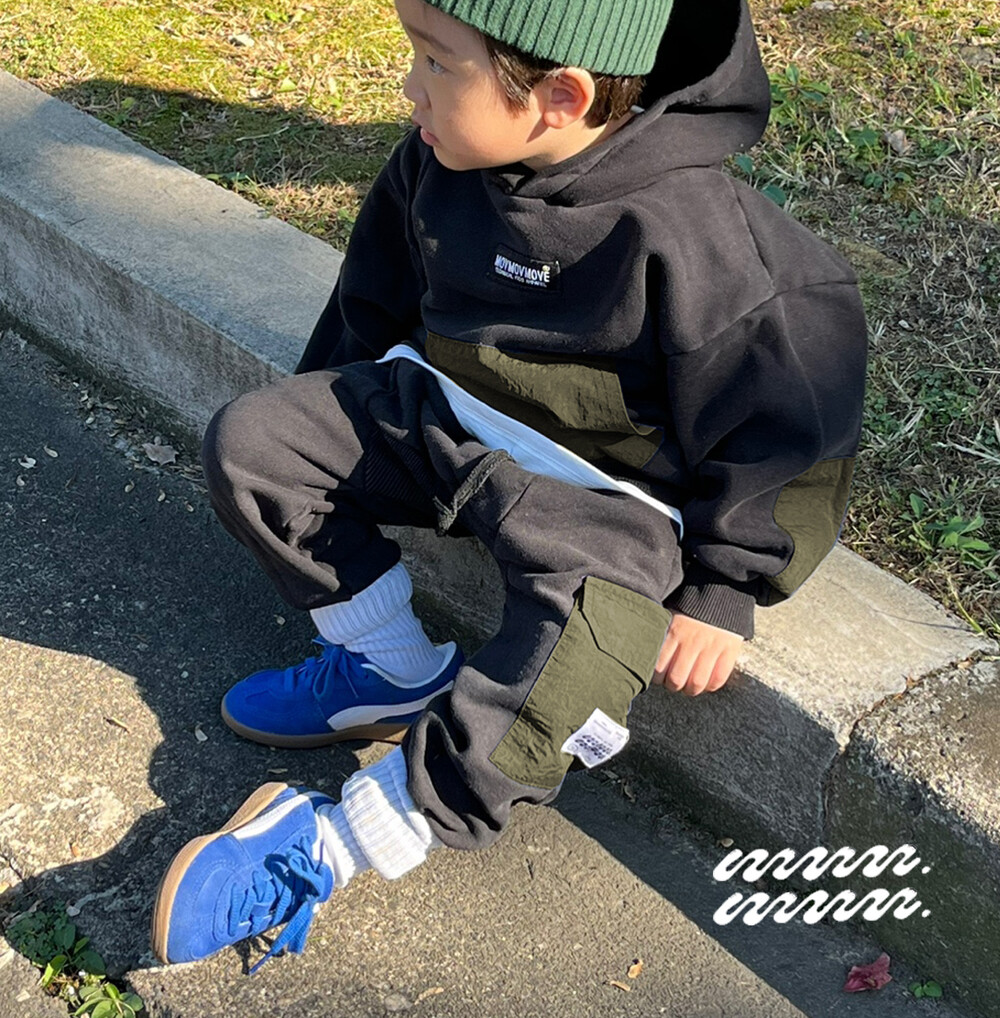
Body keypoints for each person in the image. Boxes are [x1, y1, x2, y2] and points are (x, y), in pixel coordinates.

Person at [150, 0, 867, 970]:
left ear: (560, 97)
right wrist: (330, 414)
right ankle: (391, 669)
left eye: (436, 63)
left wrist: (726, 586)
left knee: (572, 677)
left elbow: (789, 429)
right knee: (254, 442)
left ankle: (332, 842)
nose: (409, 89)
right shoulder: (436, 161)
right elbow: (370, 305)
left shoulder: (711, 248)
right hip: (440, 418)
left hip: (600, 505)